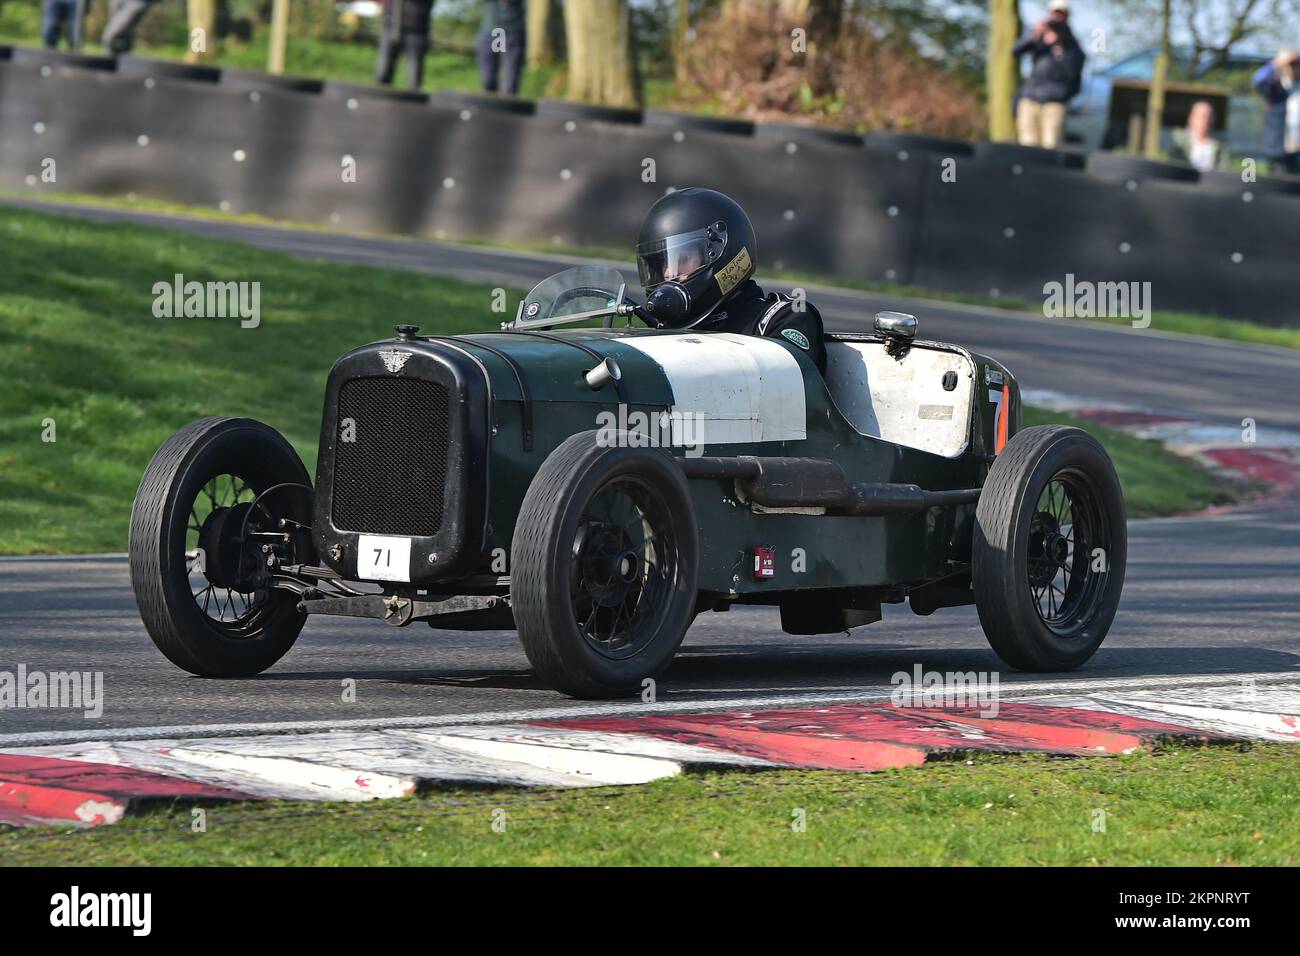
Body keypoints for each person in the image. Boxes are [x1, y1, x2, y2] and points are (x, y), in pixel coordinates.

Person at [635, 187, 827, 374]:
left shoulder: (782, 318)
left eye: (682, 260)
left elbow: (786, 390)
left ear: (723, 254)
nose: (668, 273)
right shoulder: (662, 330)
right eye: (661, 263)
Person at [1013, 0, 1085, 149]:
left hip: (1055, 102)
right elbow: (1015, 51)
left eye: (1061, 14)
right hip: (1030, 98)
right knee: (1027, 145)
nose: (1057, 18)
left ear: (1067, 16)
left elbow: (1073, 71)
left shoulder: (1072, 45)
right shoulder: (1040, 38)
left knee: (1050, 146)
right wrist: (1035, 35)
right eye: (1055, 13)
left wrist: (1059, 46)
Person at [1252, 49, 1300, 175]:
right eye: (1291, 64)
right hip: (1277, 152)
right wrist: (1276, 63)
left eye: (1296, 64)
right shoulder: (1274, 88)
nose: (1293, 68)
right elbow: (1257, 79)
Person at [375, 0, 435, 90]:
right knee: (383, 73)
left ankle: (414, 102)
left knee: (414, 78)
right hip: (390, 26)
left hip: (416, 30)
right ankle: (380, 102)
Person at [477, 0, 525, 96]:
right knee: (488, 81)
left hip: (513, 33)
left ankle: (510, 108)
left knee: (510, 85)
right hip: (489, 32)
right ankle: (489, 107)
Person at [1170, 101, 1230, 172]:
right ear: (1191, 118)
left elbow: (1224, 170)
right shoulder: (1178, 141)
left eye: (1209, 117)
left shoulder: (1220, 146)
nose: (1206, 120)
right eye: (1202, 116)